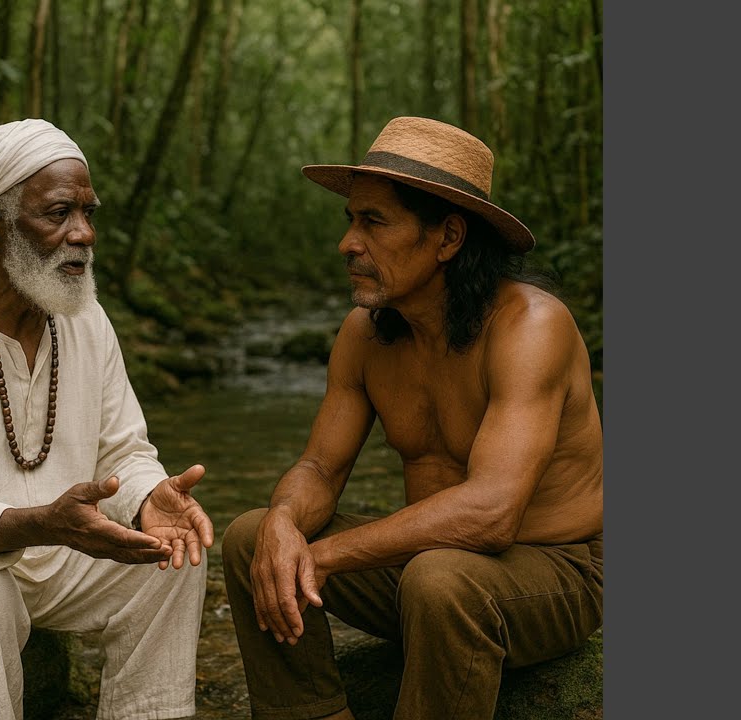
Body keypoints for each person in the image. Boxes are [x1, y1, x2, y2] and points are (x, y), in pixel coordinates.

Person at [222, 116, 603, 720]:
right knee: (250, 539)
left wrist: (322, 557)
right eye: (350, 220)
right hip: (425, 572)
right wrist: (286, 525)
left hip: (554, 573)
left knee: (439, 579)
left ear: (448, 237)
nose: (348, 243)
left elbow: (493, 513)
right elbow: (320, 466)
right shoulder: (365, 334)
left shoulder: (531, 326)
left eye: (373, 222)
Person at [0, 118, 214, 720]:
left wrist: (146, 499)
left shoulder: (85, 318)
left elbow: (123, 452)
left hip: (51, 544)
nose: (83, 234)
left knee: (175, 557)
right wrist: (40, 523)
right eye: (58, 213)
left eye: (88, 213)